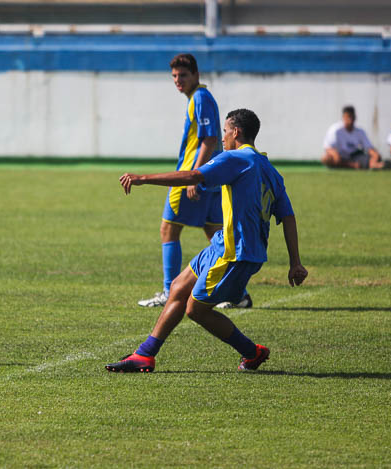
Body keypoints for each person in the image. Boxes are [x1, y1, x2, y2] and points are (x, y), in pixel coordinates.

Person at [106, 109, 307, 373]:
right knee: (178, 287)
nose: (223, 137)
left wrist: (143, 178)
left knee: (195, 310)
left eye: (225, 131)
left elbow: (194, 176)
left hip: (236, 253)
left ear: (236, 132)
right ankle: (144, 355)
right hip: (223, 245)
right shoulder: (270, 170)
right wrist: (295, 262)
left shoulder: (236, 158)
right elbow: (288, 216)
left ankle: (252, 352)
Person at [138, 53, 251, 310]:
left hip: (194, 176)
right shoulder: (199, 98)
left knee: (169, 229)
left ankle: (169, 292)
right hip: (211, 177)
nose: (178, 80)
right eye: (175, 76)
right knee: (216, 235)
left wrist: (194, 177)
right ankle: (239, 295)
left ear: (196, 75)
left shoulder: (200, 98)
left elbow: (209, 140)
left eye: (183, 75)